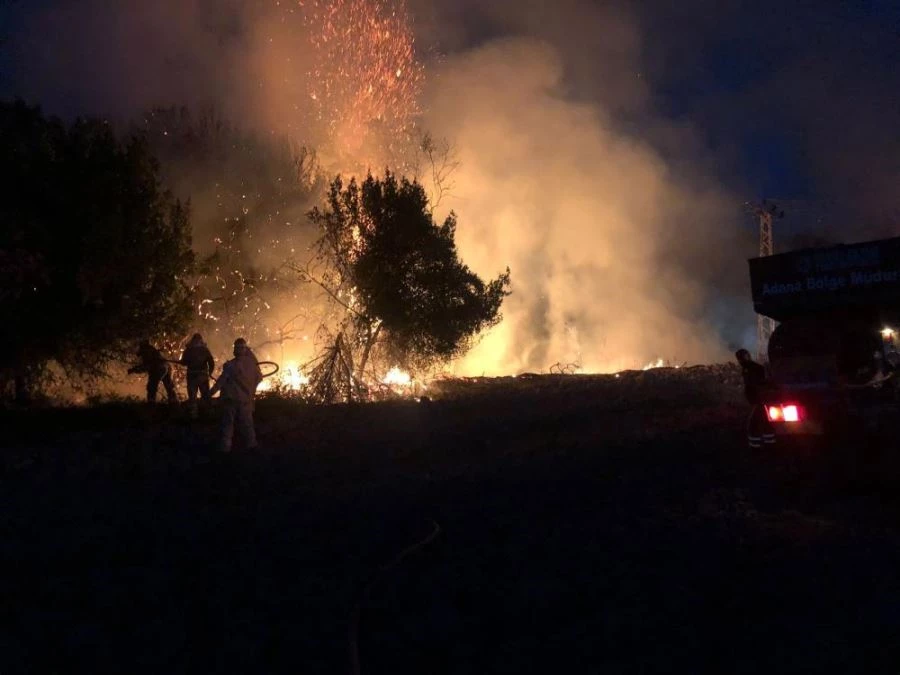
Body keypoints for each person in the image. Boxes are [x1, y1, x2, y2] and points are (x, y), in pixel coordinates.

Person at [209, 337, 263, 453]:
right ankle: (252, 447)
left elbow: (221, 382)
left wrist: (209, 394)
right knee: (248, 426)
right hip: (246, 401)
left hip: (231, 400)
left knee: (228, 426)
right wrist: (251, 389)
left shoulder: (230, 365)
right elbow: (259, 378)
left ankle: (225, 449)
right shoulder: (252, 365)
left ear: (236, 349)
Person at [735, 348, 775, 449]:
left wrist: (758, 400)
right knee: (764, 422)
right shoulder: (749, 368)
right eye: (739, 358)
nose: (740, 360)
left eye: (741, 357)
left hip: (759, 401)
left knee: (753, 425)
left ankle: (756, 447)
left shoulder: (752, 368)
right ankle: (769, 444)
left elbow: (758, 385)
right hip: (758, 401)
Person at [179, 333, 215, 418]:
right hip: (201, 376)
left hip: (193, 376)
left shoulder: (189, 350)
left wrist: (182, 362)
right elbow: (211, 363)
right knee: (205, 396)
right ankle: (207, 414)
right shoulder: (204, 350)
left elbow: (184, 362)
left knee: (193, 397)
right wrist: (209, 373)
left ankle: (194, 414)